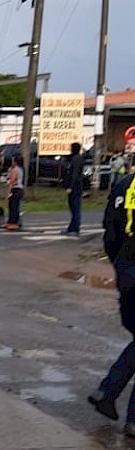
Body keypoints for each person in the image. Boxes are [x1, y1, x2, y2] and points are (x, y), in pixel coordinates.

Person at [88, 170, 135, 438]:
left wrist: (119, 262)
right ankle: (128, 414)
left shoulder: (123, 185)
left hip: (127, 269)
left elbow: (110, 230)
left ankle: (107, 391)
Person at [62, 142, 86, 236]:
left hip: (75, 186)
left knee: (75, 207)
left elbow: (75, 174)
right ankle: (72, 227)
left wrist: (70, 187)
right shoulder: (76, 158)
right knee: (73, 207)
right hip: (76, 185)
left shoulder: (76, 159)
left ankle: (75, 228)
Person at [4, 154, 25, 231]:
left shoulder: (16, 170)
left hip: (16, 189)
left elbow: (12, 181)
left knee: (14, 207)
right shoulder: (20, 169)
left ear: (15, 162)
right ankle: (10, 221)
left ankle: (14, 222)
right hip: (18, 189)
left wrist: (8, 192)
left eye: (13, 161)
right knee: (11, 206)